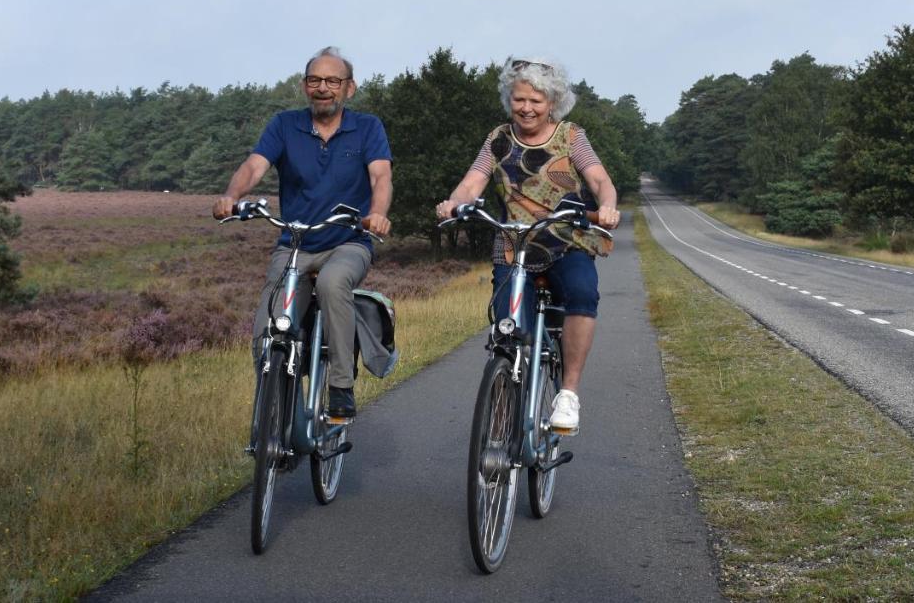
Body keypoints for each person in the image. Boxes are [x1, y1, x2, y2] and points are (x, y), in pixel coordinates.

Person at [436, 57, 619, 434]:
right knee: (506, 334)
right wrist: (455, 203)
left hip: (566, 240)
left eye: (536, 101)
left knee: (583, 293)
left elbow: (600, 180)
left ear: (553, 102)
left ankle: (567, 393)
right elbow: (473, 182)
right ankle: (503, 413)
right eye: (520, 99)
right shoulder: (498, 138)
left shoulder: (571, 137)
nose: (527, 108)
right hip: (514, 245)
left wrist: (608, 206)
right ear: (510, 100)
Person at [213, 46, 393, 420]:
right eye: (315, 80)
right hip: (294, 244)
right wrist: (232, 195)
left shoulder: (367, 127)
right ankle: (278, 417)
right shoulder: (284, 124)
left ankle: (340, 385)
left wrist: (376, 213)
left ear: (349, 88)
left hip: (347, 242)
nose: (323, 88)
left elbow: (381, 175)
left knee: (331, 283)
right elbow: (254, 166)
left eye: (332, 81)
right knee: (267, 329)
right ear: (304, 85)